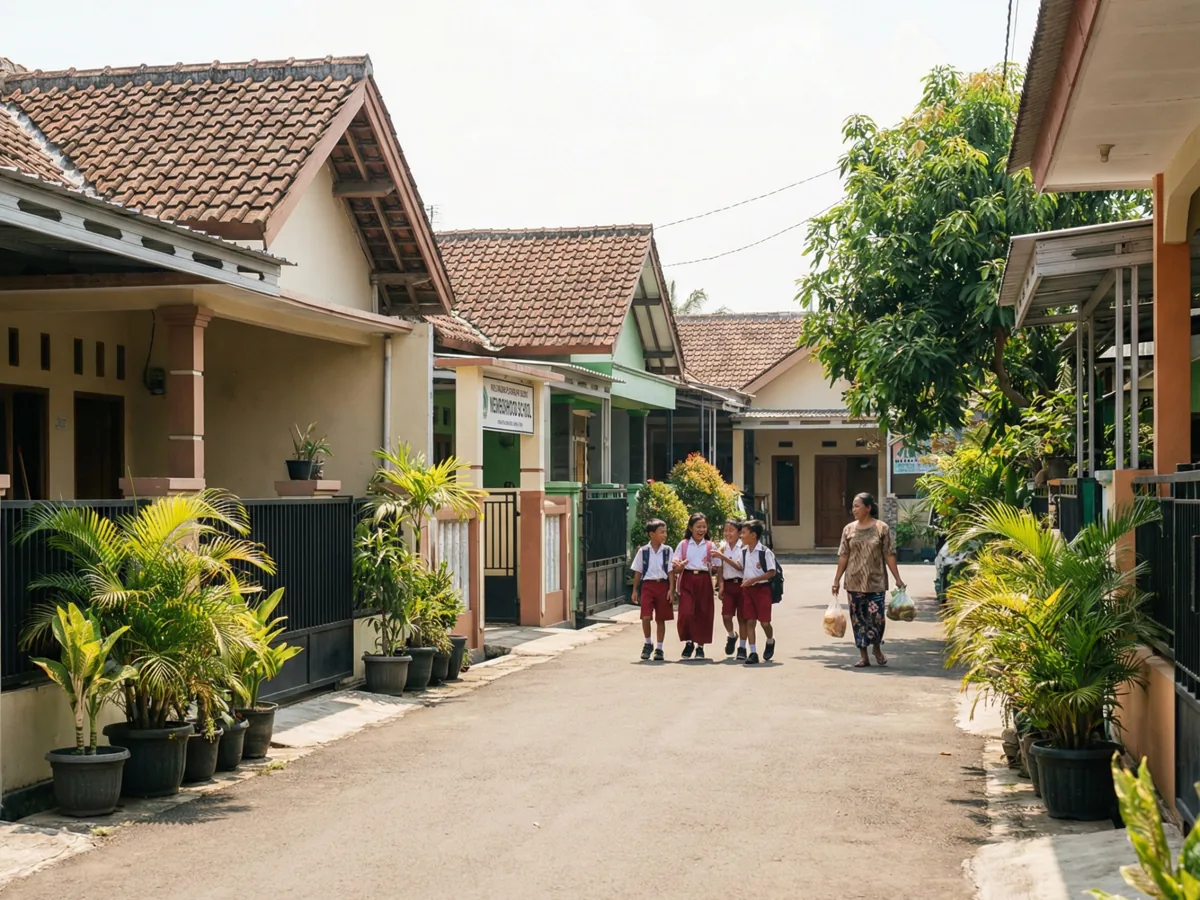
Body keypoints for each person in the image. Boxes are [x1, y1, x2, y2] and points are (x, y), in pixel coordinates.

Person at [832, 492, 906, 668]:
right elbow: (844, 555)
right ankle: (863, 655)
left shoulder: (882, 528)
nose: (854, 509)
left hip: (876, 581)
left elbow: (889, 554)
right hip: (854, 581)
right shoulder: (848, 529)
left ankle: (876, 648)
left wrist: (898, 578)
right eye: (853, 506)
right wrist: (836, 580)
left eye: (857, 506)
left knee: (877, 619)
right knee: (858, 620)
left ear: (868, 508)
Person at [671, 513, 716, 660]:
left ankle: (700, 646)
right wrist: (679, 565)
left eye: (704, 526)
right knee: (686, 612)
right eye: (698, 527)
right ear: (691, 528)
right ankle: (689, 642)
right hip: (687, 579)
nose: (701, 530)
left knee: (704, 612)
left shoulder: (710, 545)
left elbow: (717, 567)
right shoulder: (683, 544)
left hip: (704, 580)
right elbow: (675, 566)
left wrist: (715, 570)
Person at [631, 519, 672, 661]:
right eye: (662, 532)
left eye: (665, 532)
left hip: (662, 585)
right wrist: (635, 590)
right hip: (648, 586)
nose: (665, 535)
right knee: (646, 616)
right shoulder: (644, 551)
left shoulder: (667, 551)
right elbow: (637, 571)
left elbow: (671, 572)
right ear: (652, 534)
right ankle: (648, 643)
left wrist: (671, 589)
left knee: (661, 618)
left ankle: (659, 648)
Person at [738, 519, 777, 665]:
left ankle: (770, 640)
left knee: (765, 622)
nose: (741, 535)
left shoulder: (765, 552)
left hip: (762, 589)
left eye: (743, 533)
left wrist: (755, 579)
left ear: (753, 535)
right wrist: (722, 558)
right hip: (748, 590)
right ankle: (753, 652)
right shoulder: (743, 552)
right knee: (750, 620)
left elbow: (772, 572)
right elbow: (739, 566)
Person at [712, 519, 747, 659]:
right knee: (726, 615)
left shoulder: (744, 548)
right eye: (725, 530)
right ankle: (732, 635)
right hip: (728, 585)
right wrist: (720, 586)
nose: (727, 533)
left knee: (742, 618)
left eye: (731, 530)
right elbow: (720, 569)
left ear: (739, 533)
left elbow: (740, 567)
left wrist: (722, 557)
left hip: (742, 584)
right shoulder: (722, 548)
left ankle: (743, 647)